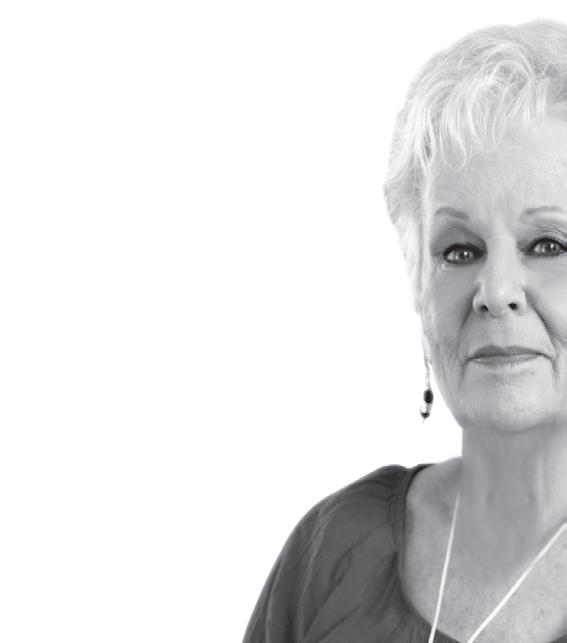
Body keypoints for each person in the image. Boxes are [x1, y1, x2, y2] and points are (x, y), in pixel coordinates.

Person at [242, 19, 567, 642]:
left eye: (547, 244)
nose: (495, 290)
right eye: (459, 251)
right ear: (420, 291)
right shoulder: (333, 552)